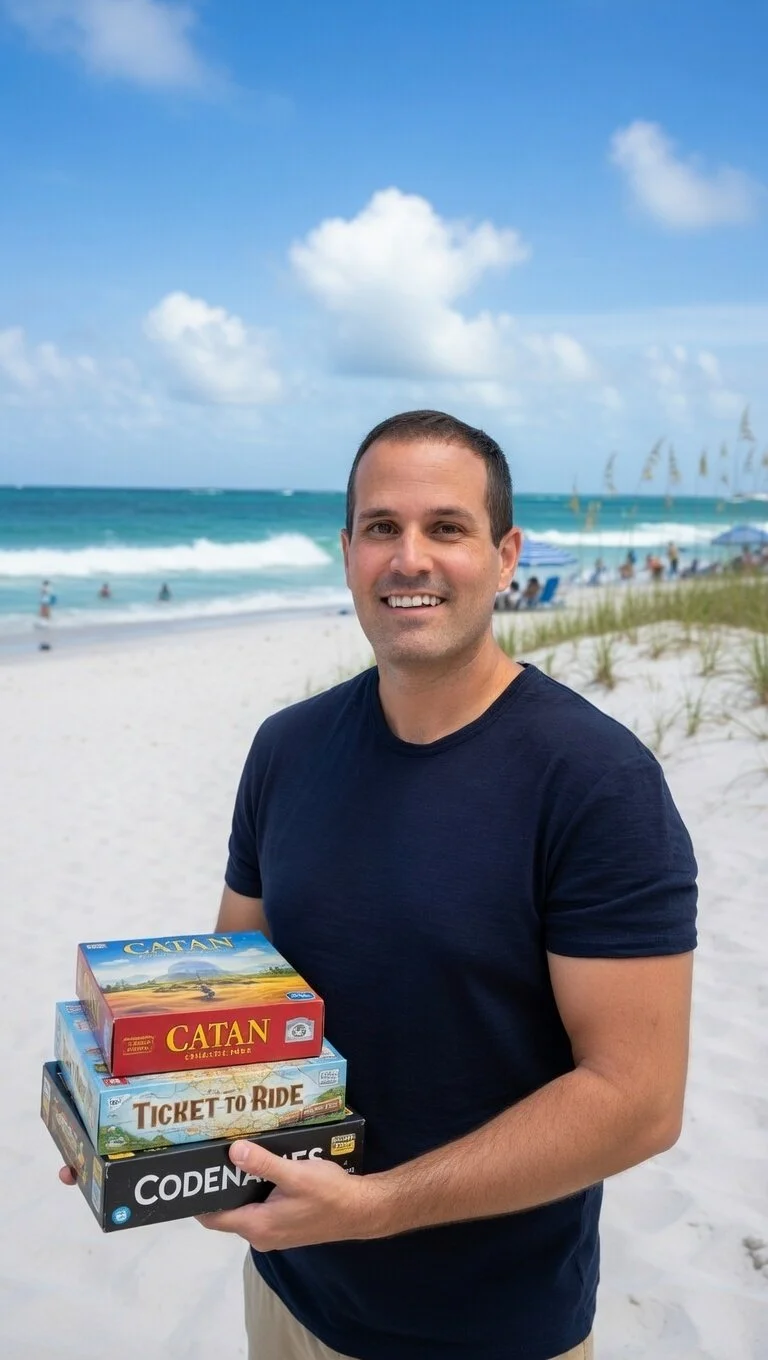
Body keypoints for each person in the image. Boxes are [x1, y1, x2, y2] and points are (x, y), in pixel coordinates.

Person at [61, 412, 697, 1360]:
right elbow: (241, 983)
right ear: (347, 550)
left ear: (504, 553)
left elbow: (639, 1099)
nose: (410, 558)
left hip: (489, 1329)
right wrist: (133, 1121)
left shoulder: (595, 781)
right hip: (287, 1288)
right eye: (380, 528)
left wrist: (376, 1208)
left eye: (447, 527)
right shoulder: (288, 747)